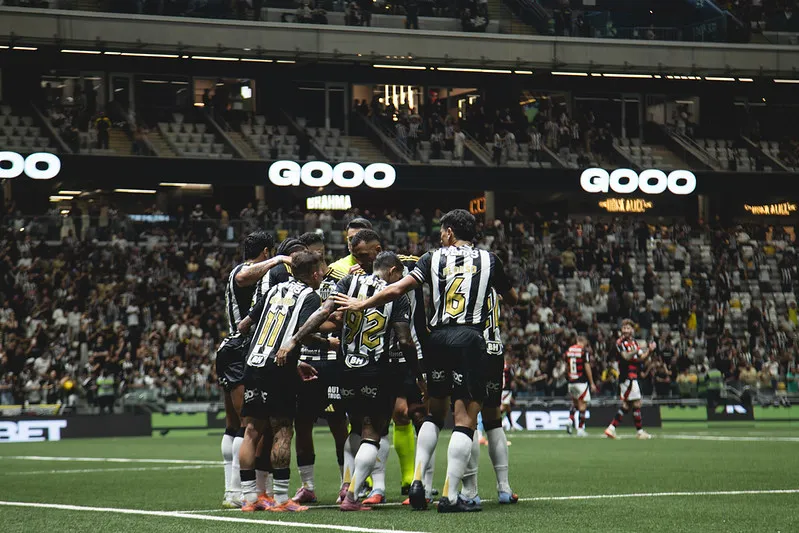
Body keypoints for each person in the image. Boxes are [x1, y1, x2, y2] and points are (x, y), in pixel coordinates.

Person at [333, 209, 518, 513]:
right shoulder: (490, 260)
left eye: (442, 231)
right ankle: (450, 496)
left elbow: (397, 288)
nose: (440, 236)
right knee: (465, 419)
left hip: (437, 339)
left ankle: (418, 481)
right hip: (470, 338)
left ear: (449, 232)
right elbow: (512, 299)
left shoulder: (432, 258)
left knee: (433, 414)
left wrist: (362, 303)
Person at [277, 251, 425, 511]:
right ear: (392, 271)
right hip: (375, 371)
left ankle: (348, 486)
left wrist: (294, 340)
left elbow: (323, 312)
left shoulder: (348, 283)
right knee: (373, 432)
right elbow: (404, 340)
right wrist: (418, 374)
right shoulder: (396, 296)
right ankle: (353, 496)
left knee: (355, 428)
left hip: (345, 370)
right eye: (399, 275)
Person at [237, 251, 333, 513]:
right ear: (314, 274)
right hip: (278, 367)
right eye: (321, 272)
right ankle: (281, 499)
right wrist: (327, 343)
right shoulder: (310, 296)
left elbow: (245, 323)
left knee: (251, 430)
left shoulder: (273, 290)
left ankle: (250, 498)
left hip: (254, 362)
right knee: (282, 430)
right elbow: (304, 332)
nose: (322, 276)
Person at [216, 231, 288, 509]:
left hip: (232, 348)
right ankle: (238, 491)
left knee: (235, 425)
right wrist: (279, 260)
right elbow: (244, 276)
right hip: (241, 349)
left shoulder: (252, 273)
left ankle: (234, 491)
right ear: (267, 251)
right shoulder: (243, 270)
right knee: (248, 424)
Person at [460, 287, 518, 508]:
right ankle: (504, 488)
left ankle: (470, 491)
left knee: (467, 419)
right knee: (494, 419)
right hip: (494, 349)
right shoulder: (493, 280)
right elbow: (513, 298)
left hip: (470, 347)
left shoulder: (462, 275)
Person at [604, 319, 654, 440]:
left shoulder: (634, 342)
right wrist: (637, 350)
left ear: (632, 330)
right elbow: (626, 356)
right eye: (624, 328)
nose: (626, 330)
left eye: (628, 328)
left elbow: (641, 357)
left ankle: (611, 428)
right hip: (627, 377)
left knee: (627, 405)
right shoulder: (620, 342)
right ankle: (640, 432)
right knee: (636, 403)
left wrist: (649, 351)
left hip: (633, 376)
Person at [565, 336, 598, 437]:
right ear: (584, 341)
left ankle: (570, 420)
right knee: (582, 406)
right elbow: (587, 367)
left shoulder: (569, 350)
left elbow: (566, 366)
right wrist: (592, 383)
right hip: (581, 382)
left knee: (575, 403)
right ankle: (580, 429)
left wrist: (569, 378)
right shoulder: (583, 351)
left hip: (571, 381)